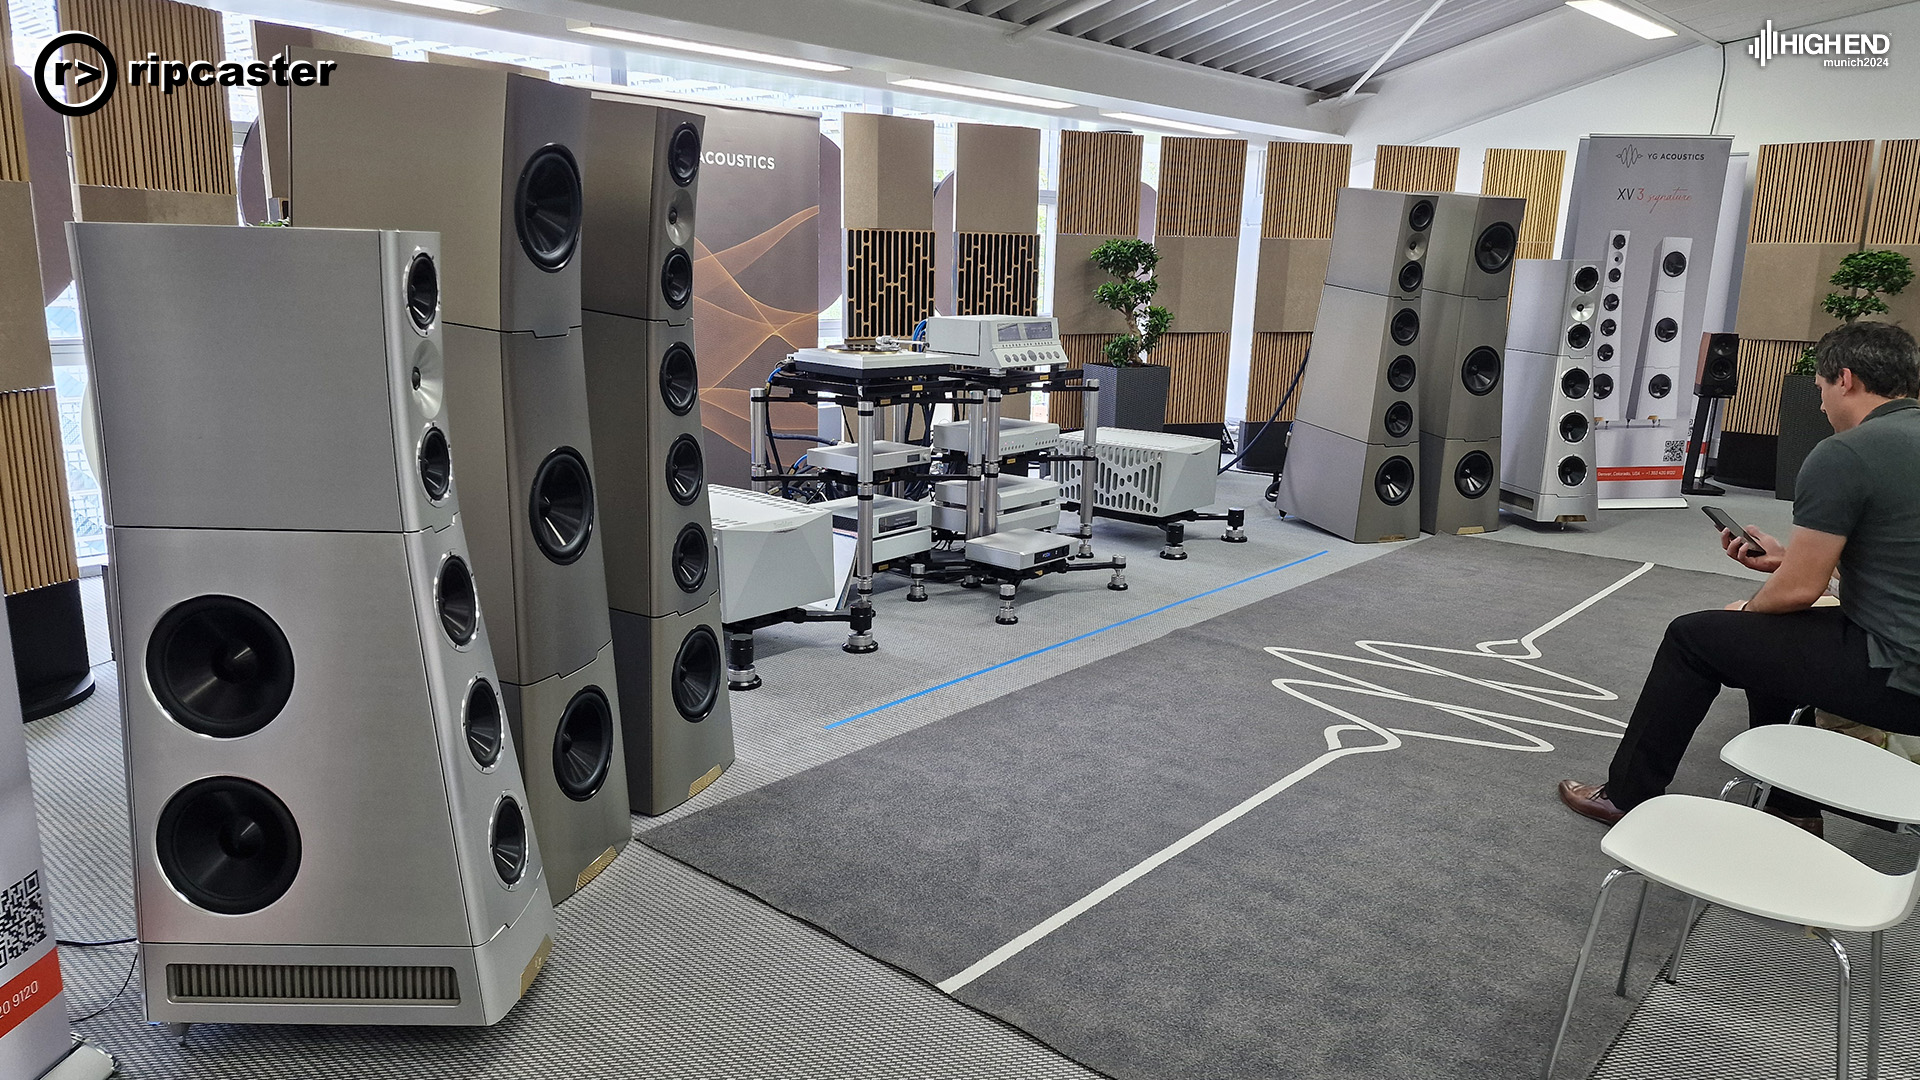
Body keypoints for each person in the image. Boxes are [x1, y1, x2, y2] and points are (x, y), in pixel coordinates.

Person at [1559, 320, 1920, 832]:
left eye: (1820, 390)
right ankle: (1791, 806)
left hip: (1900, 672)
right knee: (1774, 642)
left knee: (1695, 636)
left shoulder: (1845, 452)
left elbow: (1799, 590)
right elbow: (1898, 552)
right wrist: (1788, 559)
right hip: (1904, 650)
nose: (1819, 406)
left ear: (1845, 379)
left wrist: (1749, 610)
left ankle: (1625, 795)